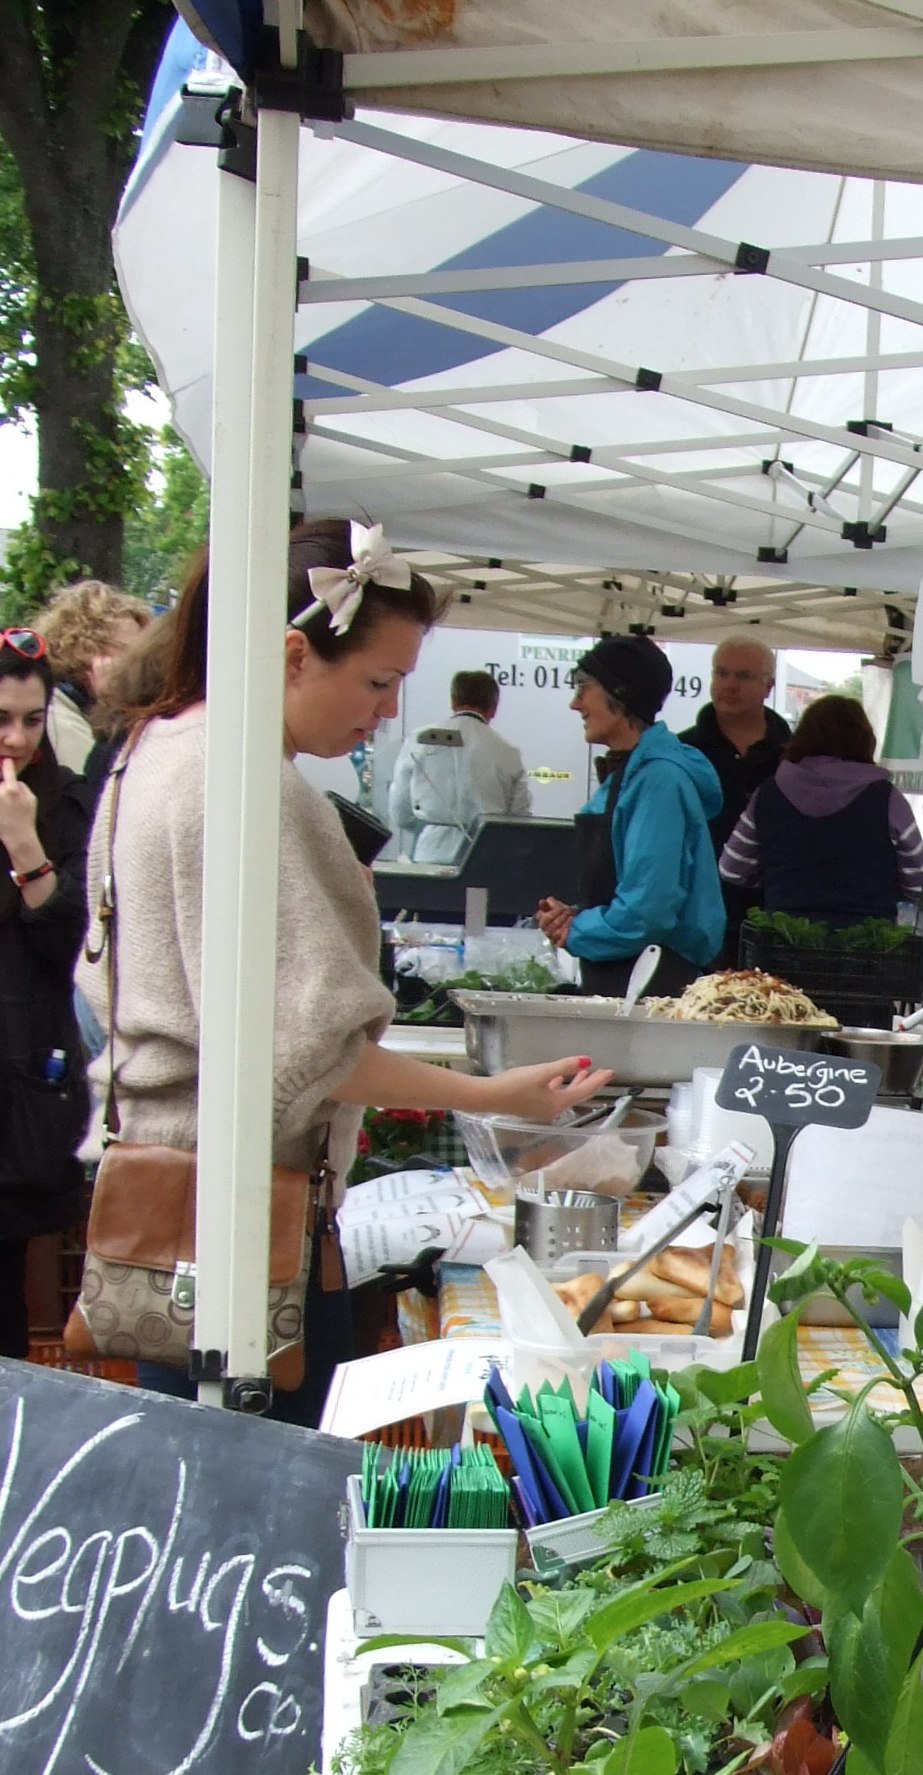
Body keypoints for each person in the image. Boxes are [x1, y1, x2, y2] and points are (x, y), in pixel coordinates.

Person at [84, 518, 609, 1422]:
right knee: (274, 1490)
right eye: (377, 681)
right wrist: (492, 1095)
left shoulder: (156, 749)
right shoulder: (246, 782)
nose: (385, 710)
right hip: (238, 1212)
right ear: (293, 654)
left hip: (172, 1189)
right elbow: (306, 1050)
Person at [535, 635, 725, 999]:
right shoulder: (634, 776)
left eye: (583, 688)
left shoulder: (659, 781)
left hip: (653, 984)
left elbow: (647, 911)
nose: (575, 704)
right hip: (623, 977)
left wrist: (576, 930)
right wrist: (573, 916)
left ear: (621, 694)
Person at [0, 630, 91, 1355]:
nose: (18, 736)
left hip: (23, 1075)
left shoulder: (65, 801)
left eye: (33, 719)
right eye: (2, 718)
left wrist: (27, 850)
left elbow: (73, 942)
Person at [718, 695, 923, 931]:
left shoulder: (768, 794)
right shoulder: (887, 798)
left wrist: (778, 879)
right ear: (865, 741)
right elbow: (919, 882)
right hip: (868, 946)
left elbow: (732, 869)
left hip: (784, 941)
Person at [681, 636, 792, 961]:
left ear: (768, 686)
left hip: (775, 919)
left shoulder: (796, 757)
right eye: (721, 673)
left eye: (743, 676)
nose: (729, 684)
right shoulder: (683, 753)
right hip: (698, 916)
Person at [386, 667, 532, 860]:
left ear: (453, 702)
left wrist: (428, 825)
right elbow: (519, 819)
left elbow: (400, 811)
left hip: (429, 852)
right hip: (484, 856)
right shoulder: (508, 751)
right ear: (493, 708)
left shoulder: (418, 740)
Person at [36, 580, 153, 786]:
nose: (140, 664)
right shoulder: (59, 717)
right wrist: (113, 711)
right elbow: (100, 796)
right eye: (128, 652)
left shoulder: (82, 707)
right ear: (86, 650)